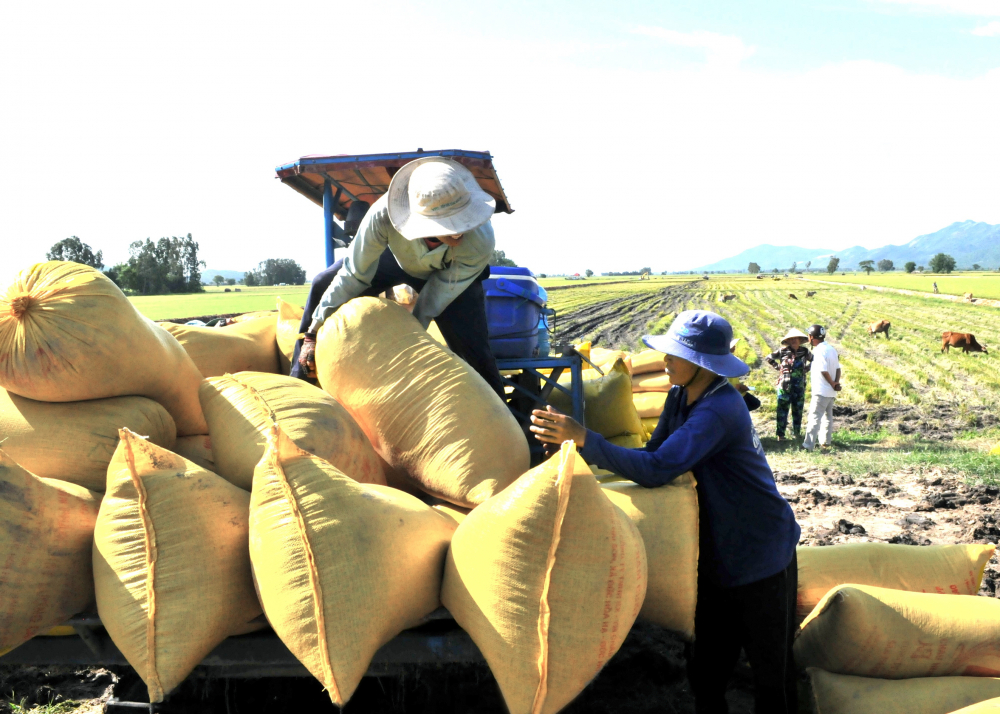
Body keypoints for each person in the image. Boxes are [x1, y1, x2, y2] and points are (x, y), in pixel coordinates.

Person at [529, 311, 800, 714]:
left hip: (761, 557)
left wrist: (586, 437)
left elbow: (657, 471)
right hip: (719, 554)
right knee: (706, 673)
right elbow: (655, 454)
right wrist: (582, 453)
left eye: (676, 354)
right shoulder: (679, 396)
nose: (666, 360)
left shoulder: (719, 411)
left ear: (703, 364)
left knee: (770, 678)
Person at [292, 157, 504, 396]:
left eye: (463, 220)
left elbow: (433, 300)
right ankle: (301, 385)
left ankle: (506, 419)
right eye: (451, 224)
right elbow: (353, 274)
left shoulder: (479, 241)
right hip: (393, 258)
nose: (461, 231)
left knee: (474, 348)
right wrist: (314, 329)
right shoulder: (383, 216)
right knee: (323, 282)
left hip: (449, 272)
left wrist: (410, 337)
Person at [765, 328, 813, 441]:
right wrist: (778, 367)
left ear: (800, 340)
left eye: (795, 339)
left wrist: (807, 368)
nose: (793, 341)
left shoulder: (805, 352)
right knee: (782, 411)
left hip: (799, 386)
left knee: (798, 410)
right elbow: (768, 358)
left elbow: (814, 360)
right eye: (791, 339)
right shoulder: (782, 351)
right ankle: (780, 435)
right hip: (784, 386)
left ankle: (797, 433)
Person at [802, 324, 841, 452]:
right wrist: (836, 383)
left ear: (811, 337)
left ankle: (808, 446)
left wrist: (832, 383)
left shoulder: (818, 351)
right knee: (827, 417)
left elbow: (824, 371)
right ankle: (825, 442)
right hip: (830, 392)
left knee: (814, 417)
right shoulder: (831, 349)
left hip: (821, 390)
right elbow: (838, 369)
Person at [729, 337, 760, 411]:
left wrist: (752, 388)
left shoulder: (732, 359)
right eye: (733, 346)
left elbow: (737, 384)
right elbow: (736, 386)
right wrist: (744, 388)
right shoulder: (728, 363)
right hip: (734, 395)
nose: (735, 347)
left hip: (738, 392)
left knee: (755, 403)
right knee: (755, 403)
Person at [536, 285, 556, 357]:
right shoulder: (540, 289)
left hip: (526, 328)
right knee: (542, 350)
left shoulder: (539, 289)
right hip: (541, 327)